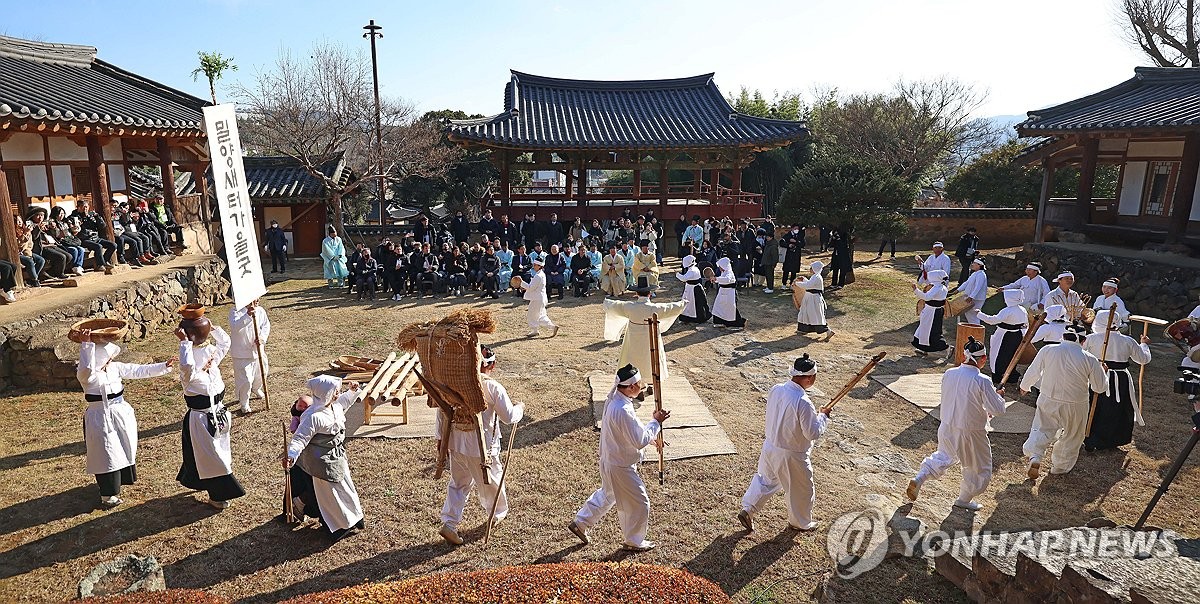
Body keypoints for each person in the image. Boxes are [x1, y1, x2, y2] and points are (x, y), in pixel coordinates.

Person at [569, 364, 670, 551]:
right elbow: (638, 439)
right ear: (631, 387)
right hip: (620, 466)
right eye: (640, 384)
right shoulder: (622, 408)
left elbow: (628, 433)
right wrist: (656, 422)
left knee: (608, 495)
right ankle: (633, 541)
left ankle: (581, 523)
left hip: (609, 459)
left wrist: (651, 438)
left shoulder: (614, 399)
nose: (642, 386)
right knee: (641, 503)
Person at [437, 345, 525, 545]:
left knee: (458, 484)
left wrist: (441, 440)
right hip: (481, 448)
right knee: (492, 483)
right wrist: (519, 408)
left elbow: (441, 413)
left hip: (456, 444)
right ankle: (497, 514)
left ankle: (449, 523)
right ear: (491, 364)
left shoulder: (452, 383)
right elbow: (509, 417)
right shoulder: (492, 387)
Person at [906, 337, 1006, 511]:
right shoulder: (982, 380)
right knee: (979, 467)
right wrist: (998, 396)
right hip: (971, 431)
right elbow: (997, 409)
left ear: (964, 355)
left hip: (947, 425)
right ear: (983, 359)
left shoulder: (949, 374)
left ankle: (919, 478)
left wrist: (991, 396)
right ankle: (964, 499)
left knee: (943, 456)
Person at [77, 330, 174, 508]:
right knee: (105, 453)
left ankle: (121, 480)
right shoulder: (87, 376)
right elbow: (86, 369)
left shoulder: (114, 367)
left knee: (123, 446)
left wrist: (163, 366)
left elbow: (137, 370)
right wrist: (87, 345)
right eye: (106, 358)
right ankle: (108, 494)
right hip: (100, 417)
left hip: (120, 413)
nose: (110, 360)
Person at [737, 354, 830, 532]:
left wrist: (819, 416)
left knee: (765, 481)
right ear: (810, 378)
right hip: (791, 454)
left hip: (770, 447)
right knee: (801, 489)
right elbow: (812, 433)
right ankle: (800, 522)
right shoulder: (803, 402)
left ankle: (748, 509)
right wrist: (823, 417)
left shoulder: (777, 389)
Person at [285, 375, 366, 542]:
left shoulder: (334, 406)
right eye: (334, 392)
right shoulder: (312, 416)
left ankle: (353, 517)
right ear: (325, 394)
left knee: (346, 487)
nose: (337, 394)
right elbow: (300, 438)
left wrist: (352, 391)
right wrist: (291, 456)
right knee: (331, 495)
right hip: (321, 462)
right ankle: (339, 525)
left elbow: (344, 401)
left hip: (337, 456)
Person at [175, 314, 244, 509]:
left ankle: (199, 481)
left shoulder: (211, 356)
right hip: (201, 418)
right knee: (212, 457)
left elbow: (225, 342)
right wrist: (185, 344)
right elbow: (188, 366)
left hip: (220, 413)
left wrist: (212, 328)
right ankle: (219, 494)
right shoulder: (188, 373)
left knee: (220, 452)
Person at [1020, 324, 1107, 478]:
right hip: (1076, 405)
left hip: (1049, 398)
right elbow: (1099, 388)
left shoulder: (1048, 350)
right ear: (1083, 340)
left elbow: (1034, 371)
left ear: (1064, 336)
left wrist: (1024, 386)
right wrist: (1104, 373)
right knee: (1072, 435)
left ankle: (1035, 456)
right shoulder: (1090, 359)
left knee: (1042, 428)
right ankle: (1060, 467)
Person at [1083, 309, 1151, 451]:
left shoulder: (1092, 338)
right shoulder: (1128, 341)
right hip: (1114, 377)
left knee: (1100, 406)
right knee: (1111, 406)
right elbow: (1143, 358)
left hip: (1100, 376)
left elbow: (1081, 354)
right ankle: (1102, 438)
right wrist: (1144, 345)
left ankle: (1094, 438)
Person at [603, 277, 687, 379]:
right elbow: (670, 308)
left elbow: (615, 305)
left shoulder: (630, 307)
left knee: (633, 358)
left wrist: (607, 301)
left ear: (636, 294)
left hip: (633, 338)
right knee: (650, 359)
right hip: (650, 337)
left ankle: (637, 381)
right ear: (650, 294)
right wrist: (683, 303)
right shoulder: (654, 308)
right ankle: (651, 381)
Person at [978, 289, 1029, 386]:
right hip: (1017, 335)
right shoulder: (1022, 309)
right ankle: (1011, 375)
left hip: (1005, 336)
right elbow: (1026, 324)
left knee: (999, 356)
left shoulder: (1008, 310)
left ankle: (998, 376)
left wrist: (979, 314)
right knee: (1012, 356)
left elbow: (993, 320)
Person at [229, 299, 270, 414]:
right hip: (242, 354)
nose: (257, 300)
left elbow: (265, 326)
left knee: (262, 372)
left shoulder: (261, 311)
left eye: (258, 298)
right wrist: (247, 315)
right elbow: (235, 326)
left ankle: (256, 388)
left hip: (258, 351)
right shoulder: (235, 311)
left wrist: (262, 338)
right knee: (245, 380)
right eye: (254, 299)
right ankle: (244, 402)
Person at [69, 199, 117, 271]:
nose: (85, 208)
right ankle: (100, 265)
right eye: (83, 207)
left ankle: (104, 261)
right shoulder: (73, 217)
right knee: (98, 247)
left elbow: (102, 226)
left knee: (113, 245)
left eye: (86, 207)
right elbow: (75, 229)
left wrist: (97, 217)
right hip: (83, 239)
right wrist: (82, 219)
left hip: (95, 238)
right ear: (78, 207)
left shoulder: (91, 216)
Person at [913, 270, 951, 355]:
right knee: (924, 329)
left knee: (932, 331)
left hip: (932, 312)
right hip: (932, 310)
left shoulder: (937, 288)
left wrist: (916, 290)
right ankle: (924, 348)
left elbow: (927, 297)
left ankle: (946, 347)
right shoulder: (941, 286)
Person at [520, 257, 558, 338]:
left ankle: (550, 327)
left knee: (535, 316)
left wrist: (521, 282)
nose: (533, 266)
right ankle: (536, 330)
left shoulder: (538, 276)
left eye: (535, 265)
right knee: (540, 315)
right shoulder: (541, 274)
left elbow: (531, 287)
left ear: (539, 266)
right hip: (540, 298)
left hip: (537, 299)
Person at [794, 261, 830, 336]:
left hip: (814, 299)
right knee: (806, 313)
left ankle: (827, 331)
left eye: (811, 268)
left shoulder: (817, 277)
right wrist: (803, 279)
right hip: (810, 298)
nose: (810, 269)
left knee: (815, 315)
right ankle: (803, 329)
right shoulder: (815, 276)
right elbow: (810, 283)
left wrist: (797, 283)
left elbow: (808, 285)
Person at [951, 257, 989, 325]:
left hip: (977, 298)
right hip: (971, 297)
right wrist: (958, 290)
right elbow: (967, 283)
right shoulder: (975, 273)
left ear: (979, 265)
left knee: (974, 315)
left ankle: (976, 329)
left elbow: (978, 287)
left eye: (974, 263)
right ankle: (973, 329)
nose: (972, 264)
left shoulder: (981, 275)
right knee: (969, 314)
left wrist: (971, 297)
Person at [676, 255, 712, 324]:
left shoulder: (692, 270)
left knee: (693, 304)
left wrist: (677, 274)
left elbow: (684, 278)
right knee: (691, 304)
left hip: (693, 289)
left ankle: (694, 318)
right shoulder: (694, 268)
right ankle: (688, 317)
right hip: (691, 288)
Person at [712, 256, 746, 329]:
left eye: (720, 266)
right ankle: (719, 321)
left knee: (730, 309)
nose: (719, 268)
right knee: (718, 307)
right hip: (722, 292)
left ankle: (737, 324)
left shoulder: (729, 273)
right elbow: (722, 280)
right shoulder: (724, 272)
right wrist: (716, 280)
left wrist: (716, 278)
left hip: (729, 293)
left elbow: (727, 280)